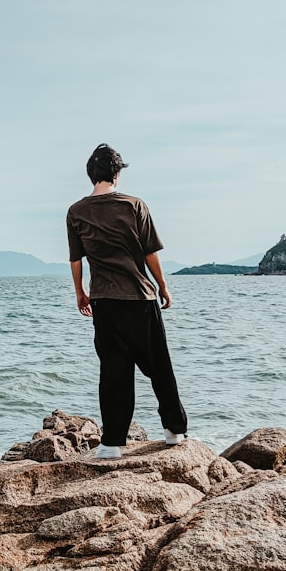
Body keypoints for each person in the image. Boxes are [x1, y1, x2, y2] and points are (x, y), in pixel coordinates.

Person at [66, 143, 187, 459]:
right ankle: (174, 431)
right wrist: (163, 286)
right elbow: (150, 253)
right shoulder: (134, 205)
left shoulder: (76, 212)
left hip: (104, 301)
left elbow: (76, 259)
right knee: (158, 366)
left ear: (91, 175)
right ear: (116, 174)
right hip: (138, 298)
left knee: (113, 371)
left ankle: (111, 444)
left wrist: (80, 292)